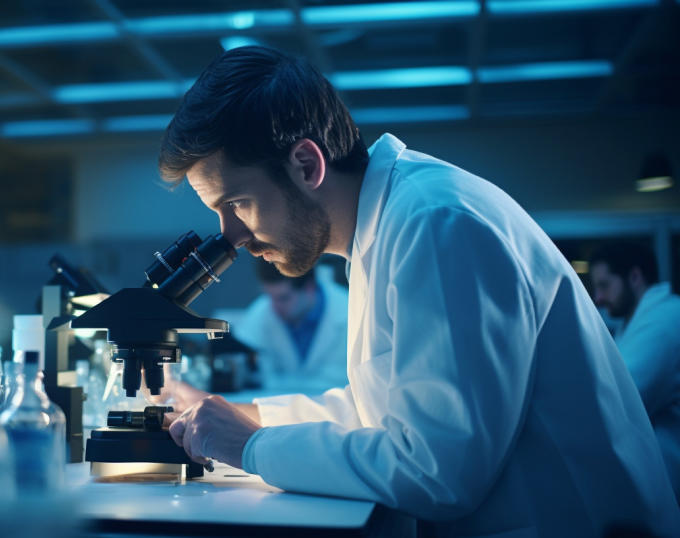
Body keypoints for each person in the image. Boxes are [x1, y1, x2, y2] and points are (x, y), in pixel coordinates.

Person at [156, 46, 679, 536]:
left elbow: (438, 472)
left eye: (238, 204)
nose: (232, 237)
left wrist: (251, 446)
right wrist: (243, 418)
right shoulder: (382, 230)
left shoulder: (435, 224)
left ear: (307, 165)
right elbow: (379, 414)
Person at [590, 241, 680, 498]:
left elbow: (621, 401)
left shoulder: (664, 320)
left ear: (635, 277)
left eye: (604, 285)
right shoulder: (631, 322)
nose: (598, 298)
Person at [231, 259, 348, 392]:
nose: (274, 307)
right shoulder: (261, 312)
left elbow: (340, 382)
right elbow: (256, 377)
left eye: (283, 298)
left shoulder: (347, 312)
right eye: (269, 296)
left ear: (309, 288)